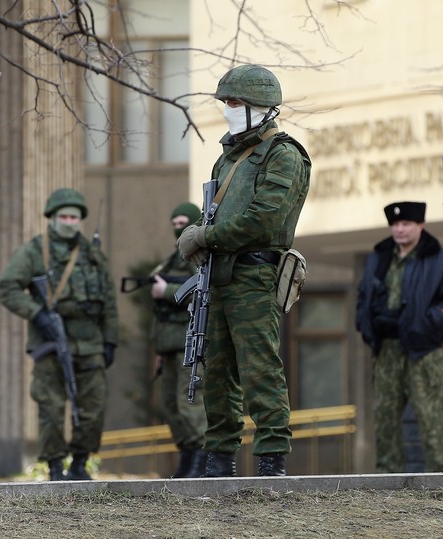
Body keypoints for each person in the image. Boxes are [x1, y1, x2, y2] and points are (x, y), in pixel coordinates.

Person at [176, 64, 312, 477]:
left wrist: (204, 237)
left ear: (262, 107)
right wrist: (203, 241)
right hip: (219, 276)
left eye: (235, 102)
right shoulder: (227, 158)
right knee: (216, 371)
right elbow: (217, 214)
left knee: (259, 368)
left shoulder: (283, 154)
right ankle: (219, 458)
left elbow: (263, 222)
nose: (228, 110)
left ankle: (271, 459)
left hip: (254, 276)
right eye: (226, 102)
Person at [0, 188, 118, 481]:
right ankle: (54, 466)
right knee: (50, 407)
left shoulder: (92, 255)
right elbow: (8, 288)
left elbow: (109, 301)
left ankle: (80, 463)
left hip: (90, 342)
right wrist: (37, 314)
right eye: (63, 216)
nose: (68, 221)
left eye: (74, 217)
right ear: (51, 218)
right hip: (50, 341)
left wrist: (110, 339)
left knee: (93, 407)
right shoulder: (35, 251)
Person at [355, 201, 443, 473]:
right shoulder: (379, 256)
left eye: (406, 224)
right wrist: (365, 323)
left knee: (428, 414)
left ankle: (441, 474)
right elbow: (364, 295)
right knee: (384, 415)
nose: (399, 229)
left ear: (420, 225)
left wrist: (425, 325)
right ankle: (388, 476)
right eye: (395, 224)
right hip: (386, 349)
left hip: (422, 350)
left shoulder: (437, 258)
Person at [150, 202, 208, 478]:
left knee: (189, 404)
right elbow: (158, 315)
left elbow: (203, 290)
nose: (178, 229)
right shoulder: (172, 259)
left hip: (190, 341)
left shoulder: (200, 256)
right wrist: (157, 349)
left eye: (183, 223)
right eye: (174, 224)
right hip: (168, 344)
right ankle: (187, 455)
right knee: (171, 406)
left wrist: (167, 290)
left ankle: (200, 457)